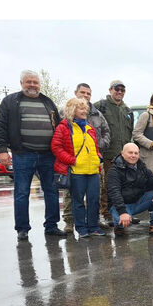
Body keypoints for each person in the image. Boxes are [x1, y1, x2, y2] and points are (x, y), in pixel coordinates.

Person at [0, 70, 65, 240]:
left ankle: (51, 226)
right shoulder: (10, 101)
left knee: (52, 190)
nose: (32, 85)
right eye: (29, 82)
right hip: (23, 153)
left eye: (35, 82)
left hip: (48, 155)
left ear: (39, 85)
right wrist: (2, 150)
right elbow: (0, 126)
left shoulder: (47, 102)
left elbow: (59, 126)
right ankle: (22, 228)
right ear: (21, 83)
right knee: (22, 192)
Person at [51, 98, 104, 238]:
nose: (84, 111)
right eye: (81, 108)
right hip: (77, 171)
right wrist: (72, 160)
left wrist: (98, 157)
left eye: (85, 108)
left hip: (93, 170)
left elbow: (95, 147)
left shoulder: (89, 128)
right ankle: (81, 228)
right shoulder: (63, 127)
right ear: (72, 110)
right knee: (78, 201)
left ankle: (93, 227)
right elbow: (56, 147)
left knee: (93, 200)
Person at [61, 83, 110, 233]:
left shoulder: (95, 116)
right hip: (76, 167)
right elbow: (58, 145)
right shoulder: (65, 119)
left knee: (94, 196)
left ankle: (93, 224)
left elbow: (105, 132)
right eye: (82, 92)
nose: (86, 95)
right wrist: (71, 160)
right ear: (75, 92)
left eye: (88, 93)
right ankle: (72, 223)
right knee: (74, 198)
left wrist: (99, 153)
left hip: (93, 165)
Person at [107, 143, 153, 236]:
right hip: (121, 205)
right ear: (122, 153)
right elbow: (114, 192)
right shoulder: (114, 171)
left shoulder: (142, 167)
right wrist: (122, 212)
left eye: (136, 153)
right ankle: (119, 227)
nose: (133, 156)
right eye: (130, 153)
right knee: (122, 222)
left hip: (138, 202)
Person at [95, 80, 134, 226]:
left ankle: (122, 212)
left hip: (124, 155)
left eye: (122, 90)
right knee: (107, 185)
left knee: (123, 185)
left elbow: (130, 131)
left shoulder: (127, 110)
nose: (119, 92)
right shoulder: (100, 106)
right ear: (110, 89)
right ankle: (105, 213)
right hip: (108, 154)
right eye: (117, 89)